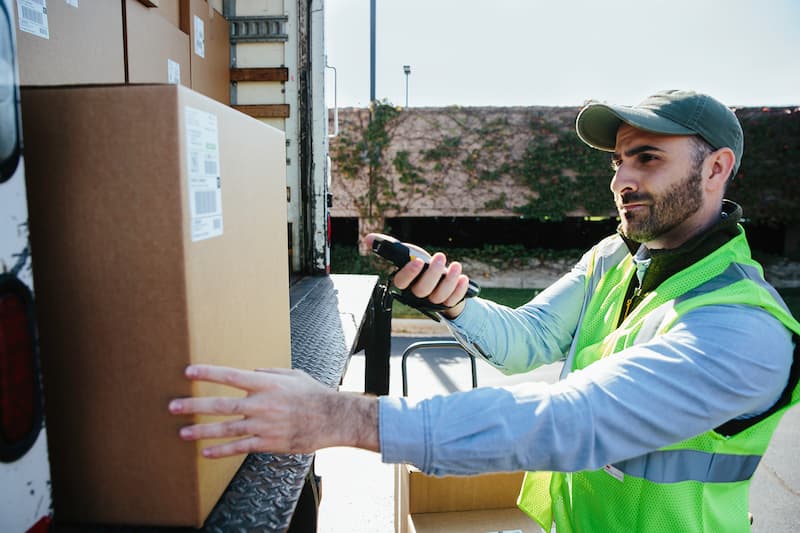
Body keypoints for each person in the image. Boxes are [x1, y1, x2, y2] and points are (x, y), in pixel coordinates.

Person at [168, 90, 800, 532]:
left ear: (717, 168)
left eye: (648, 158)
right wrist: (455, 302)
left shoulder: (742, 328)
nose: (621, 179)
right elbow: (527, 340)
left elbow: (571, 421)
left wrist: (339, 418)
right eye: (618, 161)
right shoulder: (616, 256)